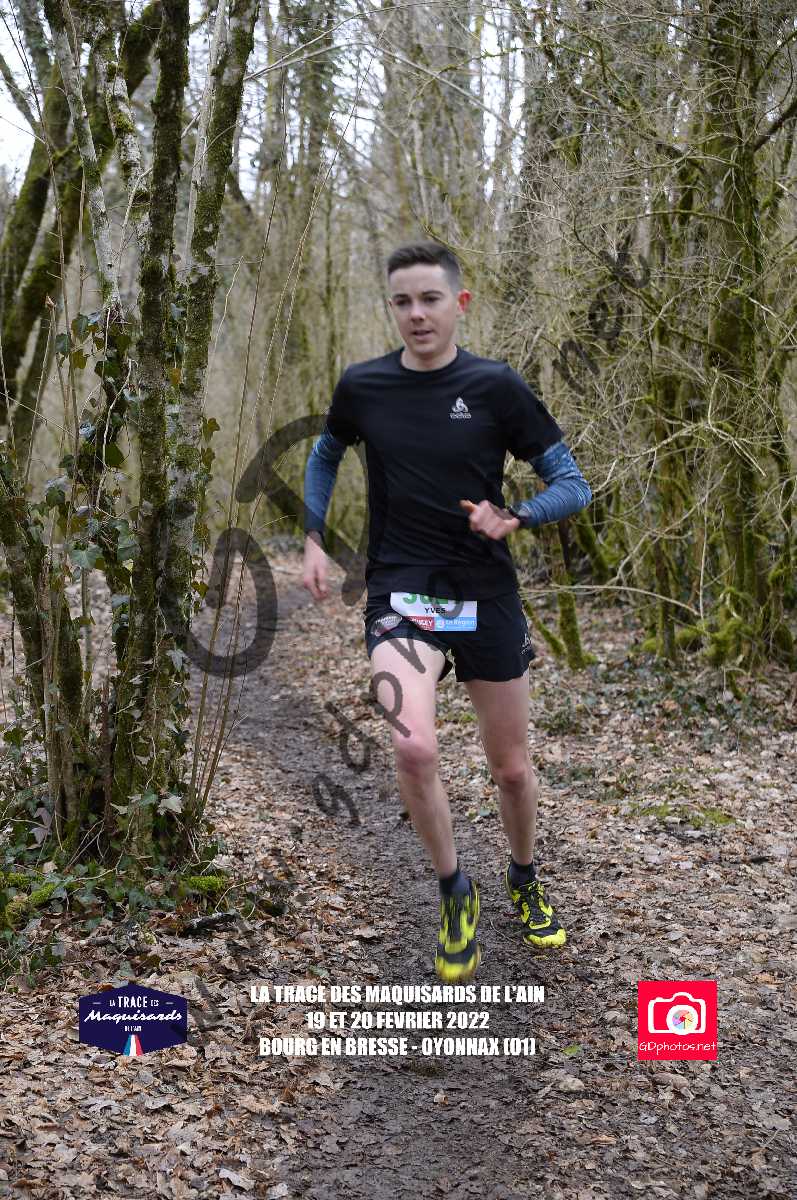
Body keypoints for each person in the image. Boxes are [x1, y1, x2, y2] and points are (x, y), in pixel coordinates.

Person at [301, 240, 592, 982]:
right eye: (402, 301)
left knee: (511, 771)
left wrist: (516, 516)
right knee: (413, 749)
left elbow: (572, 483)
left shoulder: (495, 386)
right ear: (391, 308)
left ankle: (523, 877)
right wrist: (313, 536)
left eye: (429, 299)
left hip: (484, 595)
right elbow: (326, 452)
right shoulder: (364, 385)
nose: (416, 314)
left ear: (458, 303)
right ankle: (454, 890)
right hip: (401, 593)